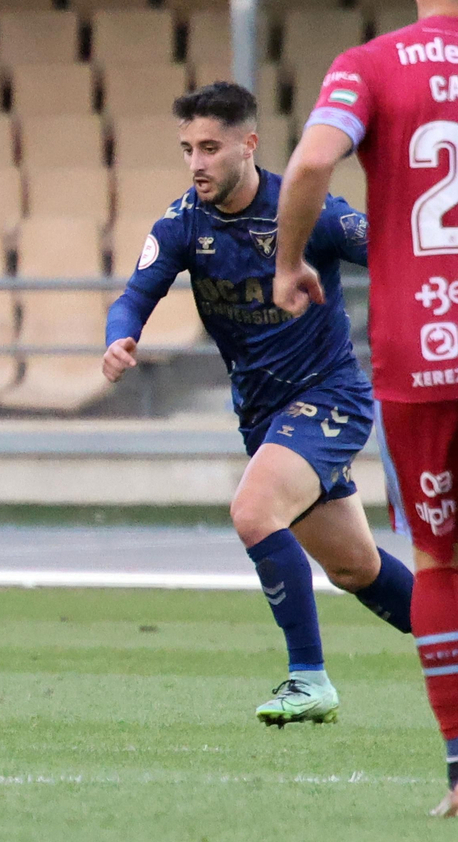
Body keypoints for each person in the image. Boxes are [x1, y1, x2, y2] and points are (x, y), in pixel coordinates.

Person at [103, 82, 414, 725]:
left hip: (329, 396)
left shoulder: (306, 211)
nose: (197, 163)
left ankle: (309, 680)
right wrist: (120, 336)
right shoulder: (183, 222)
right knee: (356, 567)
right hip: (264, 415)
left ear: (249, 144)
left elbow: (394, 250)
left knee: (252, 510)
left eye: (211, 147)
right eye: (188, 148)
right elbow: (134, 294)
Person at [272, 0, 458, 814]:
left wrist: (288, 260)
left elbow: (309, 164)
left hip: (422, 351)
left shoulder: (370, 66)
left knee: (440, 560)